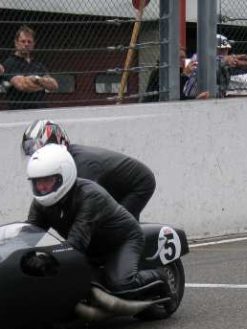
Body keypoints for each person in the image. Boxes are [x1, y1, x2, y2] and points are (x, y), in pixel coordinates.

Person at [26, 144, 173, 299]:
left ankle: (160, 277)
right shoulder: (40, 203)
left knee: (121, 285)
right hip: (92, 246)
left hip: (121, 242)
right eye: (37, 182)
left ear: (63, 176)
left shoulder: (89, 195)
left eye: (46, 180)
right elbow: (29, 234)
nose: (41, 187)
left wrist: (45, 260)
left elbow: (77, 244)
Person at [21, 119, 155, 221]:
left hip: (139, 184)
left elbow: (88, 207)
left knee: (113, 227)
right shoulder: (63, 164)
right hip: (111, 184)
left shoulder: (82, 166)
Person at [1, 25, 58, 110]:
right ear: (16, 43)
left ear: (33, 44)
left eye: (29, 42)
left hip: (41, 110)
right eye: (23, 41)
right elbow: (23, 86)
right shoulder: (9, 63)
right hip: (20, 111)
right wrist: (42, 84)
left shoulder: (38, 64)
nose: (26, 44)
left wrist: (36, 79)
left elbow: (54, 85)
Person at [183, 34, 247, 99]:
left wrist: (240, 62)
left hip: (215, 102)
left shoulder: (226, 63)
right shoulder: (199, 57)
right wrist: (225, 60)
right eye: (221, 50)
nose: (225, 52)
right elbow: (215, 62)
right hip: (192, 100)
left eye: (226, 49)